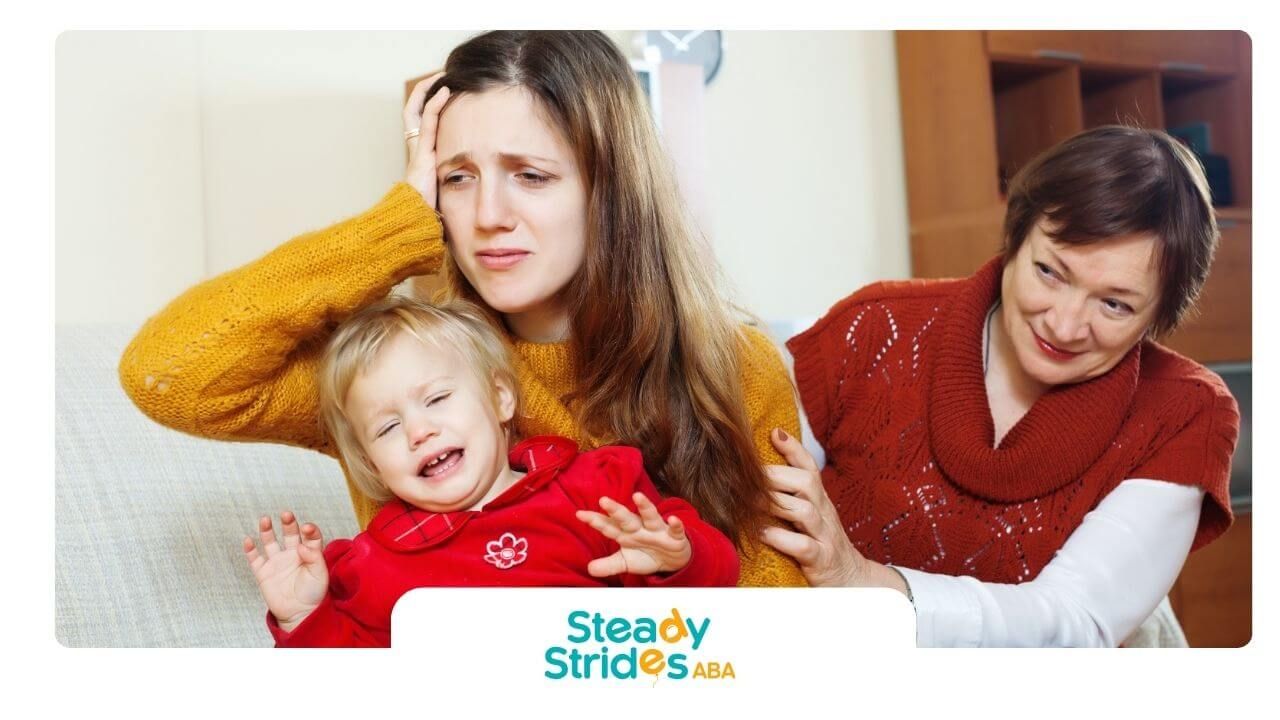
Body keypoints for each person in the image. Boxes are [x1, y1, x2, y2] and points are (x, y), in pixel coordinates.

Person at [118, 30, 804, 587]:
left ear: (611, 192)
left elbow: (782, 620)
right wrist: (397, 225)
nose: (487, 216)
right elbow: (167, 373)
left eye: (530, 176)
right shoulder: (399, 375)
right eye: (458, 178)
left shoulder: (736, 367)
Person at [763, 125, 1240, 646]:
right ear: (1017, 235)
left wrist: (864, 582)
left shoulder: (1187, 412)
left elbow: (1075, 620)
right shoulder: (874, 327)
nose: (1063, 324)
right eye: (1050, 272)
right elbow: (749, 506)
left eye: (1115, 305)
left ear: (1160, 315)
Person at [244, 297, 738, 647]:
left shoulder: (595, 490)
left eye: (437, 398)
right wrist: (305, 616)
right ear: (372, 463)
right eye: (388, 428)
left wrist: (677, 560)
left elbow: (706, 612)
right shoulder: (371, 567)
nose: (419, 431)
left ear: (501, 397)